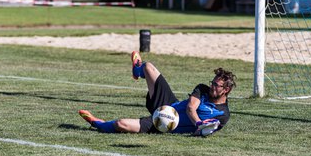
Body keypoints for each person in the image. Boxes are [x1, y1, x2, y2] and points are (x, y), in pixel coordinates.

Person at [79, 51, 236, 136]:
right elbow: (190, 108)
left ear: (226, 90)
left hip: (163, 124)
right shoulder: (203, 89)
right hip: (168, 105)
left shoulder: (223, 114)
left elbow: (206, 132)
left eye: (216, 85)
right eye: (212, 83)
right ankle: (137, 69)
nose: (212, 87)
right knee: (148, 67)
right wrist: (199, 123)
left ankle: (96, 123)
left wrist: (202, 130)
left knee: (121, 124)